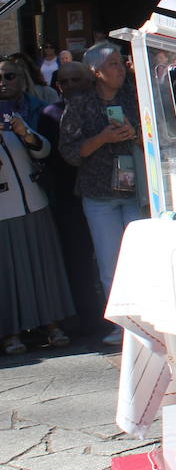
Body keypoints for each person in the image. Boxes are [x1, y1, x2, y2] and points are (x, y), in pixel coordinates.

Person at [58, 42, 142, 346]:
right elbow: (69, 152)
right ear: (96, 72)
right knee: (110, 263)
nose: (121, 69)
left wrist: (136, 134)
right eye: (113, 65)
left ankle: (148, 319)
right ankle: (124, 326)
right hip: (99, 194)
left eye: (121, 63)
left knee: (140, 258)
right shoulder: (80, 104)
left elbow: (157, 136)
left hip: (137, 191)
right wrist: (102, 138)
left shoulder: (134, 96)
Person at [0, 57, 73, 354]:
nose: (2, 82)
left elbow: (43, 150)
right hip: (4, 211)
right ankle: (11, 333)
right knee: (9, 274)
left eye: (8, 76)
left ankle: (53, 325)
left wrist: (25, 133)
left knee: (44, 267)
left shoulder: (24, 114)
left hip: (35, 202)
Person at [37, 61, 105, 337]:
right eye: (66, 82)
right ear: (58, 87)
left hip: (102, 191)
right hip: (68, 198)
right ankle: (89, 321)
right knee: (78, 262)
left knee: (107, 257)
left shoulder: (100, 106)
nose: (73, 86)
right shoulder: (50, 113)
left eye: (79, 80)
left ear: (90, 80)